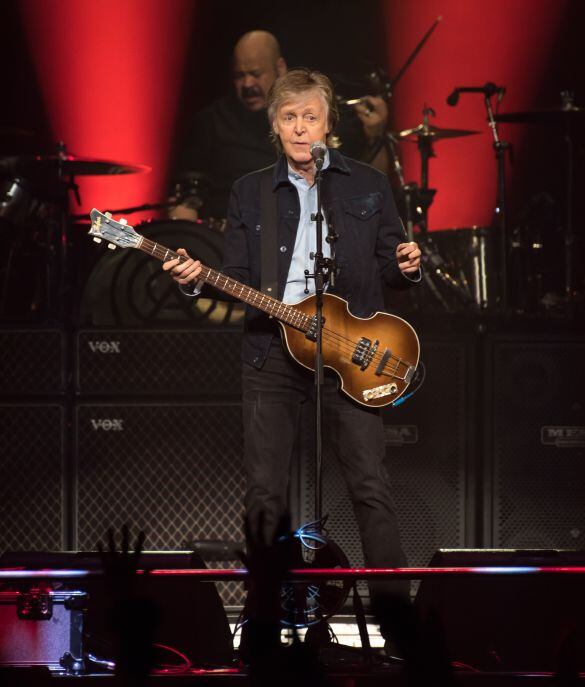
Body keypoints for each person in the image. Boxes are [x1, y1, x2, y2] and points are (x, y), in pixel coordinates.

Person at [163, 68, 421, 633]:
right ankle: (261, 625)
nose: (300, 129)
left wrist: (407, 266)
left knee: (370, 486)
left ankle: (400, 627)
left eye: (310, 117)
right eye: (289, 118)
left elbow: (392, 268)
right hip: (270, 354)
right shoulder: (248, 190)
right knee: (265, 495)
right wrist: (190, 278)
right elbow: (229, 278)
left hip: (349, 353)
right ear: (273, 127)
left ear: (330, 126)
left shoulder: (368, 186)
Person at [170, 30, 390, 220]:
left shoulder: (312, 117)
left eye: (256, 74)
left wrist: (375, 136)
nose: (247, 84)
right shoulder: (212, 122)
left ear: (280, 68)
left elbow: (366, 191)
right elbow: (189, 192)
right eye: (239, 76)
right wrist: (186, 207)